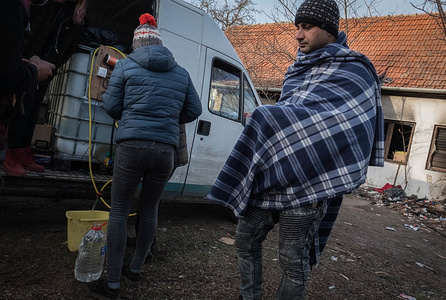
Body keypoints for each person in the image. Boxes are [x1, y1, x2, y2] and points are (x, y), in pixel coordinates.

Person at [207, 0, 385, 299]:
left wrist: (270, 117)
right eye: (297, 28)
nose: (298, 35)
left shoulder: (355, 70)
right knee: (245, 240)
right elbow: (294, 116)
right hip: (273, 174)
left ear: (328, 31)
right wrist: (274, 120)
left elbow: (346, 127)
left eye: (307, 28)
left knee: (292, 258)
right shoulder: (296, 70)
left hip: (312, 182)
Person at [88, 13, 202, 299]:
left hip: (132, 147)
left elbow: (112, 106)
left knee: (118, 211)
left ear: (137, 46)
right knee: (150, 209)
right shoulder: (182, 73)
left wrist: (133, 113)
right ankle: (135, 268)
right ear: (160, 45)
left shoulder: (125, 67)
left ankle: (112, 284)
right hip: (165, 150)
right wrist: (168, 116)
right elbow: (194, 110)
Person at [1, 0, 87, 176]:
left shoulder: (76, 17)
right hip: (28, 61)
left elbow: (70, 47)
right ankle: (9, 152)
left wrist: (56, 64)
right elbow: (22, 30)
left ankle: (23, 150)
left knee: (32, 109)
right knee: (18, 107)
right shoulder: (42, 4)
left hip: (47, 67)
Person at [0, 0, 55, 152]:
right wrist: (34, 71)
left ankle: (20, 151)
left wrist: (17, 63)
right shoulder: (12, 6)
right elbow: (8, 74)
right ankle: (13, 152)